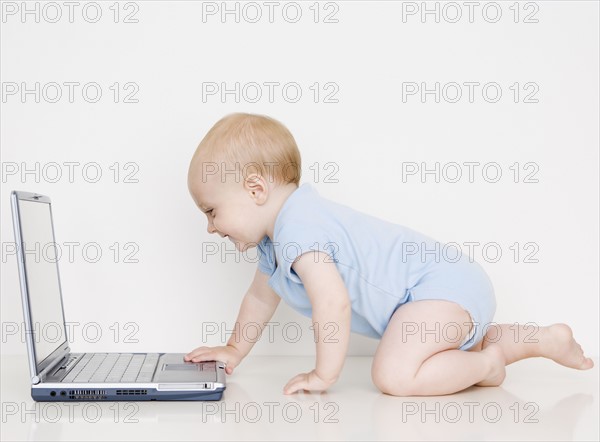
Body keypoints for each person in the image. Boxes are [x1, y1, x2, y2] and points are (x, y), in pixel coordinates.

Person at [184, 112, 594, 396]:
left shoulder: (300, 228)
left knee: (394, 374)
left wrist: (324, 373)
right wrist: (234, 349)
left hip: (438, 288)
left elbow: (333, 302)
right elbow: (259, 297)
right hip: (450, 288)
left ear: (256, 190)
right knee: (452, 344)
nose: (211, 227)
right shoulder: (279, 241)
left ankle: (490, 365)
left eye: (212, 211)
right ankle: (540, 339)